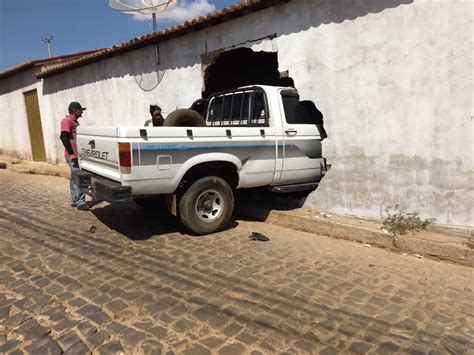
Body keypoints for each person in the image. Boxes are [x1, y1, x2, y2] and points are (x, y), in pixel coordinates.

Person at [59, 102, 89, 210]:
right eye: (80, 110)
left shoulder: (75, 122)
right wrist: (72, 153)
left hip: (76, 155)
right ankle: (80, 201)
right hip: (72, 155)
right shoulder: (66, 121)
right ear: (74, 110)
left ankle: (74, 199)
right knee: (79, 176)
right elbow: (63, 137)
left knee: (73, 177)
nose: (82, 112)